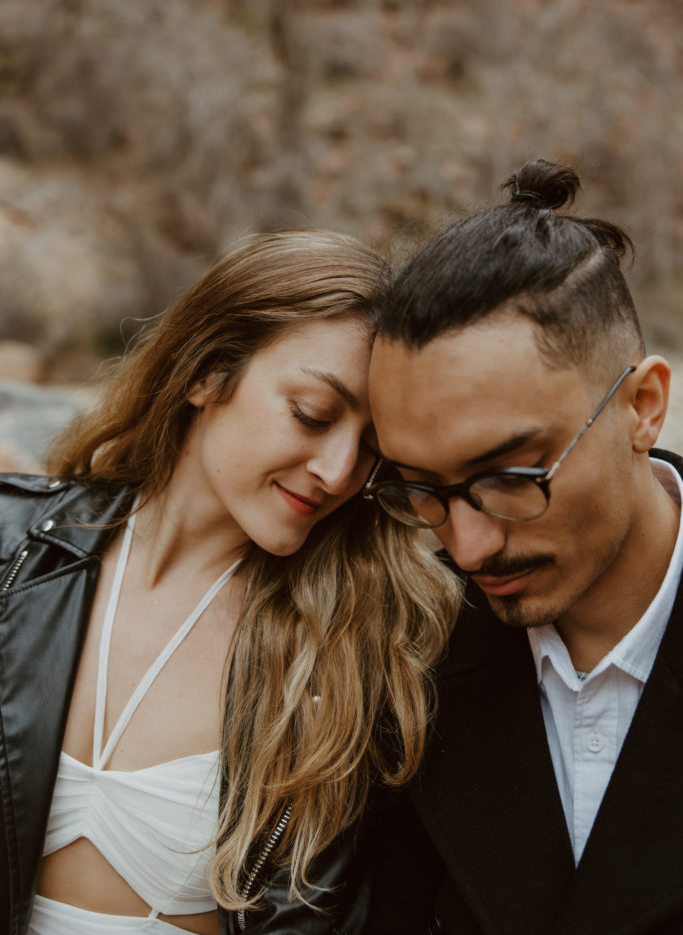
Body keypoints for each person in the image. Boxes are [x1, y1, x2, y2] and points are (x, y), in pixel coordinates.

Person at [0, 228, 461, 935]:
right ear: (206, 372)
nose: (339, 472)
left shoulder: (359, 644)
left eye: (371, 450)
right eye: (312, 415)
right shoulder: (15, 550)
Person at [363, 160, 683, 935]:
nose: (468, 547)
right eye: (422, 490)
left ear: (641, 407)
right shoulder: (399, 665)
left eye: (508, 475)